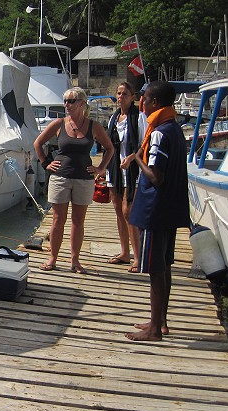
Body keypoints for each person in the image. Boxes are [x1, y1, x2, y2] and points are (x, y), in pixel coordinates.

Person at [122, 81, 191, 341]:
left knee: (155, 269)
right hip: (172, 207)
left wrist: (136, 157)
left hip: (156, 209)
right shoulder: (175, 128)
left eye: (145, 99)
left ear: (155, 103)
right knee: (165, 265)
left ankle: (154, 329)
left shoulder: (159, 133)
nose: (142, 103)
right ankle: (160, 321)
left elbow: (156, 176)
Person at [33, 87, 114, 273]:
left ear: (82, 103)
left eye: (71, 101)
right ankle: (52, 258)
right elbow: (38, 143)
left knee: (78, 221)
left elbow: (110, 148)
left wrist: (101, 168)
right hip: (60, 177)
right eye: (65, 101)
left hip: (84, 179)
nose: (67, 104)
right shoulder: (59, 123)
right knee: (57, 219)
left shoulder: (94, 126)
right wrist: (46, 163)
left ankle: (75, 261)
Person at [104, 82, 147, 272]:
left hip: (132, 169)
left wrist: (132, 157)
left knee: (128, 211)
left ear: (132, 97)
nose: (121, 97)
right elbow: (109, 146)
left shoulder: (139, 117)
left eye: (125, 94)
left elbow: (145, 143)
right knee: (118, 211)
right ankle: (124, 252)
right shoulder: (113, 118)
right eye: (119, 93)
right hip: (114, 168)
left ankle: (137, 257)